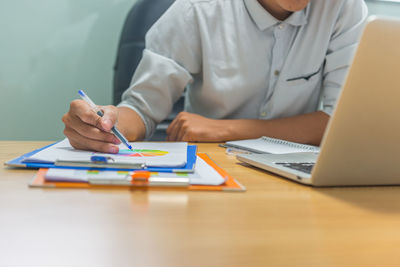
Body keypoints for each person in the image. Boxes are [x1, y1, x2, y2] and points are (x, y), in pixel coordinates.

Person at [62, 0, 368, 153]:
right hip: (214, 167)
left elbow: (339, 123)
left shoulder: (344, 8)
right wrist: (104, 123)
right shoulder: (197, 9)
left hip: (299, 171)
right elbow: (142, 110)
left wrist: (226, 129)